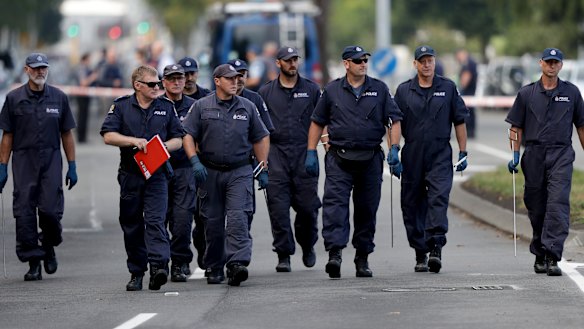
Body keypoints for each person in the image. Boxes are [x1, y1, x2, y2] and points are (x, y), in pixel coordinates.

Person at [306, 46, 402, 279]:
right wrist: (310, 151)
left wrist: (395, 149)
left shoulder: (379, 89)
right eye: (358, 60)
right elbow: (317, 122)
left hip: (370, 159)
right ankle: (335, 255)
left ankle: (362, 257)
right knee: (335, 208)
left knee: (366, 210)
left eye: (365, 60)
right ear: (346, 64)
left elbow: (394, 120)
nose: (363, 64)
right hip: (339, 158)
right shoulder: (331, 90)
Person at [182, 64, 270, 286]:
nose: (236, 82)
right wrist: (194, 160)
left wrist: (262, 167)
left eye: (238, 78)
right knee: (212, 221)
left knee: (238, 217)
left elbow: (261, 136)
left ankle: (237, 263)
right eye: (230, 79)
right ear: (217, 81)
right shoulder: (201, 106)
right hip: (209, 171)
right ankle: (214, 265)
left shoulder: (248, 107)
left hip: (240, 171)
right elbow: (187, 135)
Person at [100, 65, 184, 291]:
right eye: (152, 84)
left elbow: (179, 138)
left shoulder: (166, 107)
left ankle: (158, 267)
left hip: (157, 174)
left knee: (156, 221)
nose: (157, 87)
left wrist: (164, 147)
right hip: (131, 174)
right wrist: (133, 141)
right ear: (138, 86)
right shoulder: (121, 106)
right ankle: (136, 272)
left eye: (158, 83)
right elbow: (108, 136)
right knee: (132, 224)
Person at [506, 48, 584, 276]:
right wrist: (514, 154)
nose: (552, 66)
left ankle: (552, 255)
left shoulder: (571, 93)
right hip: (534, 154)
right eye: (548, 62)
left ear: (561, 65)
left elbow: (581, 126)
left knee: (558, 203)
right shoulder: (526, 94)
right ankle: (540, 252)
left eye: (556, 63)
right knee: (537, 206)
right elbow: (515, 126)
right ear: (540, 63)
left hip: (561, 154)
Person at [0, 52, 77, 281]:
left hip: (51, 160)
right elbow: (7, 136)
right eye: (35, 68)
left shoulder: (59, 98)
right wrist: (2, 166)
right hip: (24, 161)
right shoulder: (14, 99)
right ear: (26, 70)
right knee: (24, 212)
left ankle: (48, 245)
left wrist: (72, 165)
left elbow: (67, 134)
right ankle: (34, 261)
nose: (40, 71)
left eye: (43, 67)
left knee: (50, 211)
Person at [392, 45, 469, 274]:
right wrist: (394, 150)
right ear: (415, 64)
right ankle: (420, 251)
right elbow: (394, 121)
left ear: (435, 62)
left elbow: (459, 120)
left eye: (430, 60)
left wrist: (463, 152)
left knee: (438, 198)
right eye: (422, 61)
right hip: (413, 152)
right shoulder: (404, 91)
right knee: (412, 203)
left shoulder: (447, 88)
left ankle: (435, 246)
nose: (427, 65)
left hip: (439, 153)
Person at [258, 47, 321, 272]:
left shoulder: (312, 90)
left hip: (305, 154)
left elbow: (322, 121)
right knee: (278, 207)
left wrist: (321, 148)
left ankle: (307, 244)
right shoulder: (265, 93)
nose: (293, 64)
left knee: (307, 207)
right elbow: (259, 130)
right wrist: (260, 162)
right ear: (278, 63)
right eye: (288, 60)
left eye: (295, 59)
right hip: (276, 154)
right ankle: (283, 253)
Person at [160, 64, 197, 282]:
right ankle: (161, 263)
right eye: (171, 79)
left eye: (179, 78)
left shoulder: (195, 106)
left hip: (185, 169)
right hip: (159, 171)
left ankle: (180, 261)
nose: (176, 82)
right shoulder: (156, 106)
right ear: (163, 82)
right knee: (159, 219)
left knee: (182, 220)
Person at [177, 56, 211, 273]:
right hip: (178, 167)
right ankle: (180, 260)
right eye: (184, 74)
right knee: (179, 216)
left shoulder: (207, 98)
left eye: (192, 73)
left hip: (202, 166)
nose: (189, 79)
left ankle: (204, 249)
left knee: (203, 216)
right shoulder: (168, 101)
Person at [75, 52, 98, 143]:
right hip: (81, 95)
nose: (90, 61)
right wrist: (92, 77)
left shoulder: (86, 69)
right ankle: (80, 137)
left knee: (85, 116)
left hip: (85, 95)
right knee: (81, 116)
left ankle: (83, 137)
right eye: (89, 60)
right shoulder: (82, 69)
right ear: (85, 60)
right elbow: (83, 83)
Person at [455, 48, 478, 138]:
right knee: (470, 111)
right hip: (470, 91)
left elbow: (466, 76)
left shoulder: (467, 63)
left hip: (468, 91)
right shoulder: (471, 62)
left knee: (467, 111)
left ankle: (469, 131)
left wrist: (461, 88)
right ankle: (470, 131)